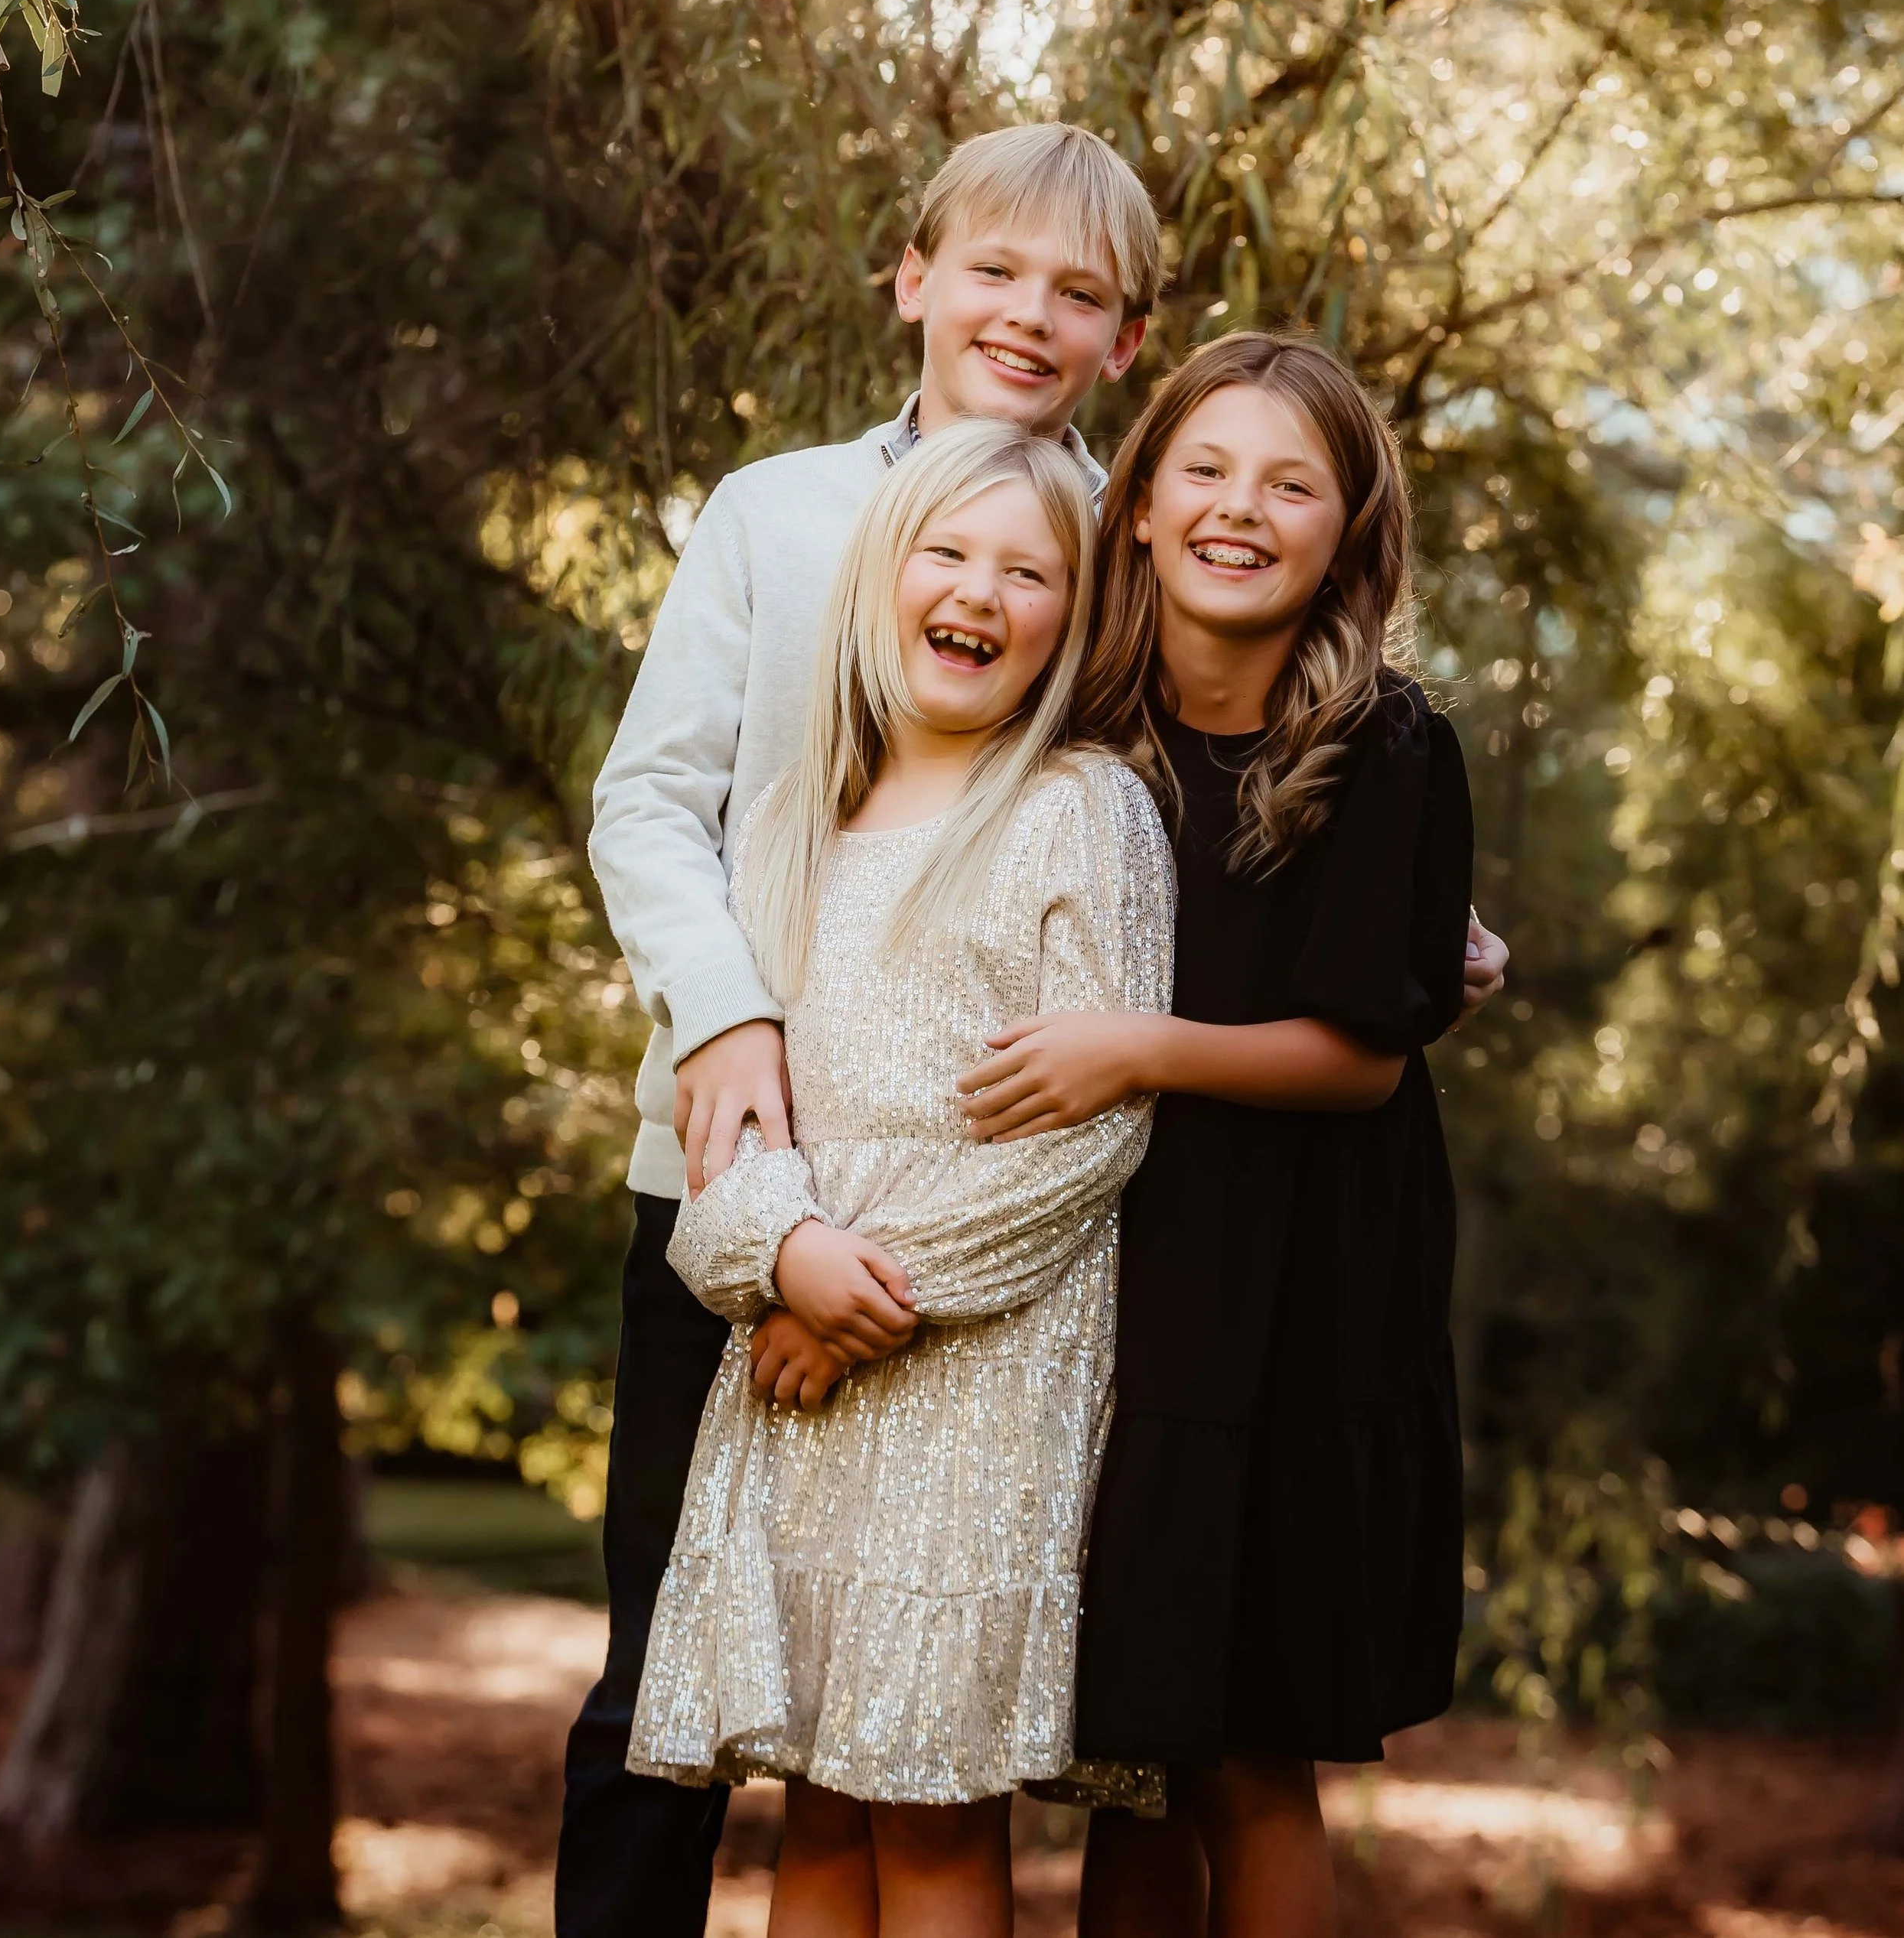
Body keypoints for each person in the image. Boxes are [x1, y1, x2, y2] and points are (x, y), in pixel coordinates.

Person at [556, 125, 1161, 1938]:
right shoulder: (779, 513)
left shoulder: (1130, 539)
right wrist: (723, 1015)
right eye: (991, 269)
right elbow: (649, 799)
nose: (1025, 316)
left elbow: (1201, 799)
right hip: (738, 1164)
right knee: (661, 1680)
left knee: (906, 1753)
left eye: (1079, 293)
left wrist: (1393, 917)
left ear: (1127, 336)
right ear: (911, 276)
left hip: (988, 1221)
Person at [958, 330, 1483, 1938]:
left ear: (1349, 531)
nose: (1237, 509)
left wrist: (1132, 1050)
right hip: (1110, 1286)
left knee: (1247, 1752)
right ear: (1131, 506)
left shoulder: (1381, 743)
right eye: (1203, 468)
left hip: (1298, 1301)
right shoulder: (1064, 726)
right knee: (1133, 1749)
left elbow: (1356, 1066)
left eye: (1288, 483)